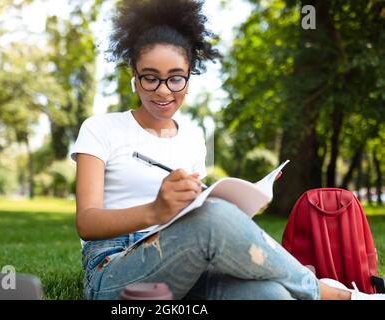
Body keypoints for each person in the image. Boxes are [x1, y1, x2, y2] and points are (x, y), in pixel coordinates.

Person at [70, 0, 385, 300]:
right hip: (114, 270)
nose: (163, 90)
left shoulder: (193, 137)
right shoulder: (100, 128)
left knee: (271, 294)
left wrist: (240, 204)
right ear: (134, 78)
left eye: (175, 79)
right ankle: (328, 292)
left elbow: (198, 216)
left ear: (189, 78)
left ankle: (309, 288)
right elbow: (87, 222)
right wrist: (155, 211)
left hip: (187, 262)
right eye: (150, 78)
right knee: (215, 217)